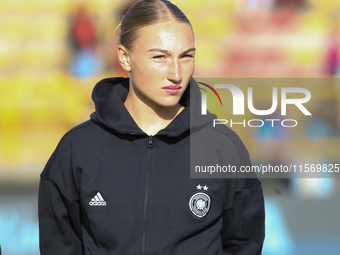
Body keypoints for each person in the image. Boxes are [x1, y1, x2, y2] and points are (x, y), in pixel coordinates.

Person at [38, 0, 265, 254]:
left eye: (186, 56)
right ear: (124, 57)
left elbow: (245, 243)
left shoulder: (223, 147)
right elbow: (59, 245)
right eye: (160, 57)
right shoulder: (77, 149)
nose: (176, 73)